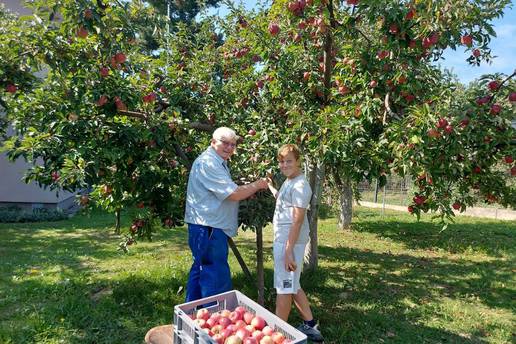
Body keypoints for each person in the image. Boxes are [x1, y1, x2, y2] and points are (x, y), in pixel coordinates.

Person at [184, 127, 268, 302]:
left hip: (207, 225)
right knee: (214, 274)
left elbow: (226, 191)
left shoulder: (216, 162)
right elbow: (233, 194)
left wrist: (245, 188)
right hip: (209, 228)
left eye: (233, 144)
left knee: (201, 270)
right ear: (213, 142)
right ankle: (215, 317)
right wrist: (258, 185)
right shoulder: (209, 163)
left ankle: (193, 315)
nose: (229, 147)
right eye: (225, 143)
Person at [267, 144, 324, 342]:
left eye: (289, 161)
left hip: (289, 243)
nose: (284, 165)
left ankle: (276, 334)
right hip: (285, 241)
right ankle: (311, 326)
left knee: (284, 287)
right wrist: (270, 186)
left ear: (298, 161)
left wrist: (289, 250)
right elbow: (283, 202)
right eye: (281, 161)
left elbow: (298, 219)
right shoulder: (289, 181)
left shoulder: (300, 185)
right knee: (293, 283)